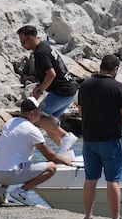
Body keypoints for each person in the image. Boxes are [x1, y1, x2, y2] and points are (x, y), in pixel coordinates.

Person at [77, 54, 122, 219]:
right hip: (110, 140)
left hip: (89, 139)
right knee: (113, 180)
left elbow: (80, 110)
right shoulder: (118, 87)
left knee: (90, 180)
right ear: (115, 69)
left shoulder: (85, 85)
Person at [0, 97, 74, 206]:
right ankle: (21, 192)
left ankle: (2, 190)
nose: (41, 113)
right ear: (32, 113)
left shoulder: (10, 122)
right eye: (39, 110)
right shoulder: (32, 130)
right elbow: (50, 156)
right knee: (51, 167)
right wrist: (68, 162)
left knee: (18, 160)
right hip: (9, 174)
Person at [16, 25, 78, 157]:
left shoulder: (40, 53)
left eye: (24, 42)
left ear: (31, 38)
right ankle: (66, 152)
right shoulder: (45, 47)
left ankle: (67, 137)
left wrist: (40, 91)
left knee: (35, 117)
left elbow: (51, 74)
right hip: (69, 91)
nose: (22, 45)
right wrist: (39, 85)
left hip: (62, 92)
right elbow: (50, 74)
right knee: (49, 124)